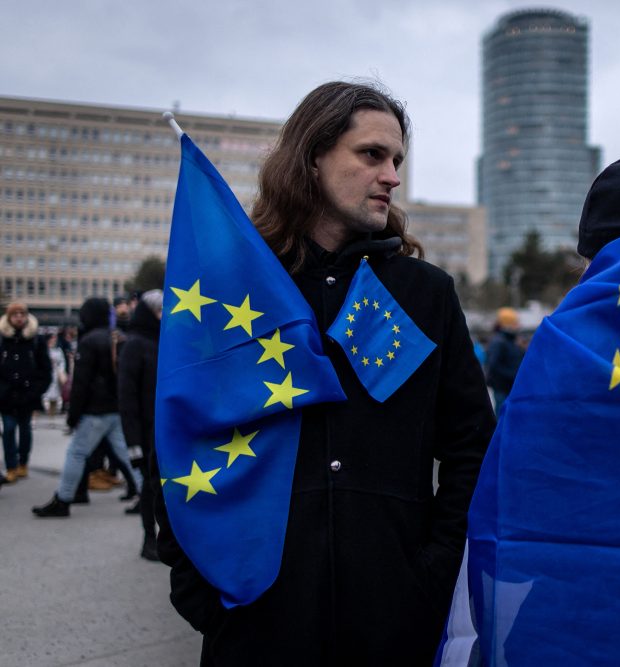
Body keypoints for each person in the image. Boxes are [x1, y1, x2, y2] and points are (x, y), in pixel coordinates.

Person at [156, 81, 495, 665]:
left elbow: (472, 445)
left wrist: (434, 570)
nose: (391, 174)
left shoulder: (424, 293)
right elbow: (179, 428)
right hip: (255, 621)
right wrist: (198, 587)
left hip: (393, 621)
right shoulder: (233, 289)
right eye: (372, 155)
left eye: (397, 160)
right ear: (312, 157)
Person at [31, 297, 139, 517]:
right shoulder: (117, 337)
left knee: (76, 453)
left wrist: (73, 415)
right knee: (128, 455)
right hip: (115, 407)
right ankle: (148, 493)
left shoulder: (89, 341)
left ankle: (63, 498)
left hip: (94, 410)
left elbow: (81, 383)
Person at [117, 290, 163, 561]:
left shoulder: (165, 341)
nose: (164, 316)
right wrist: (133, 443)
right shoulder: (135, 344)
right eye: (159, 311)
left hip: (166, 430)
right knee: (149, 487)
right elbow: (127, 398)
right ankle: (149, 539)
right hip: (146, 433)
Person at [0, 301, 52, 483]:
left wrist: (36, 391)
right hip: (6, 395)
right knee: (7, 429)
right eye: (15, 314)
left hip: (27, 394)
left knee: (25, 429)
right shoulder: (2, 339)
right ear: (9, 317)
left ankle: (23, 463)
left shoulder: (36, 340)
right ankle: (11, 466)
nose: (19, 318)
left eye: (22, 314)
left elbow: (45, 370)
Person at [485, 307, 523, 412]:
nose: (518, 326)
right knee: (502, 415)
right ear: (506, 324)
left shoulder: (510, 340)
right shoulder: (499, 341)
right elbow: (493, 365)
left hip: (509, 386)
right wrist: (513, 375)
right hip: (502, 387)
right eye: (514, 323)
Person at [42, 333, 68, 416]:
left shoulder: (58, 350)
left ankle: (52, 411)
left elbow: (62, 362)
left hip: (56, 373)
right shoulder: (43, 349)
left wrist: (61, 371)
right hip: (46, 373)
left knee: (55, 393)